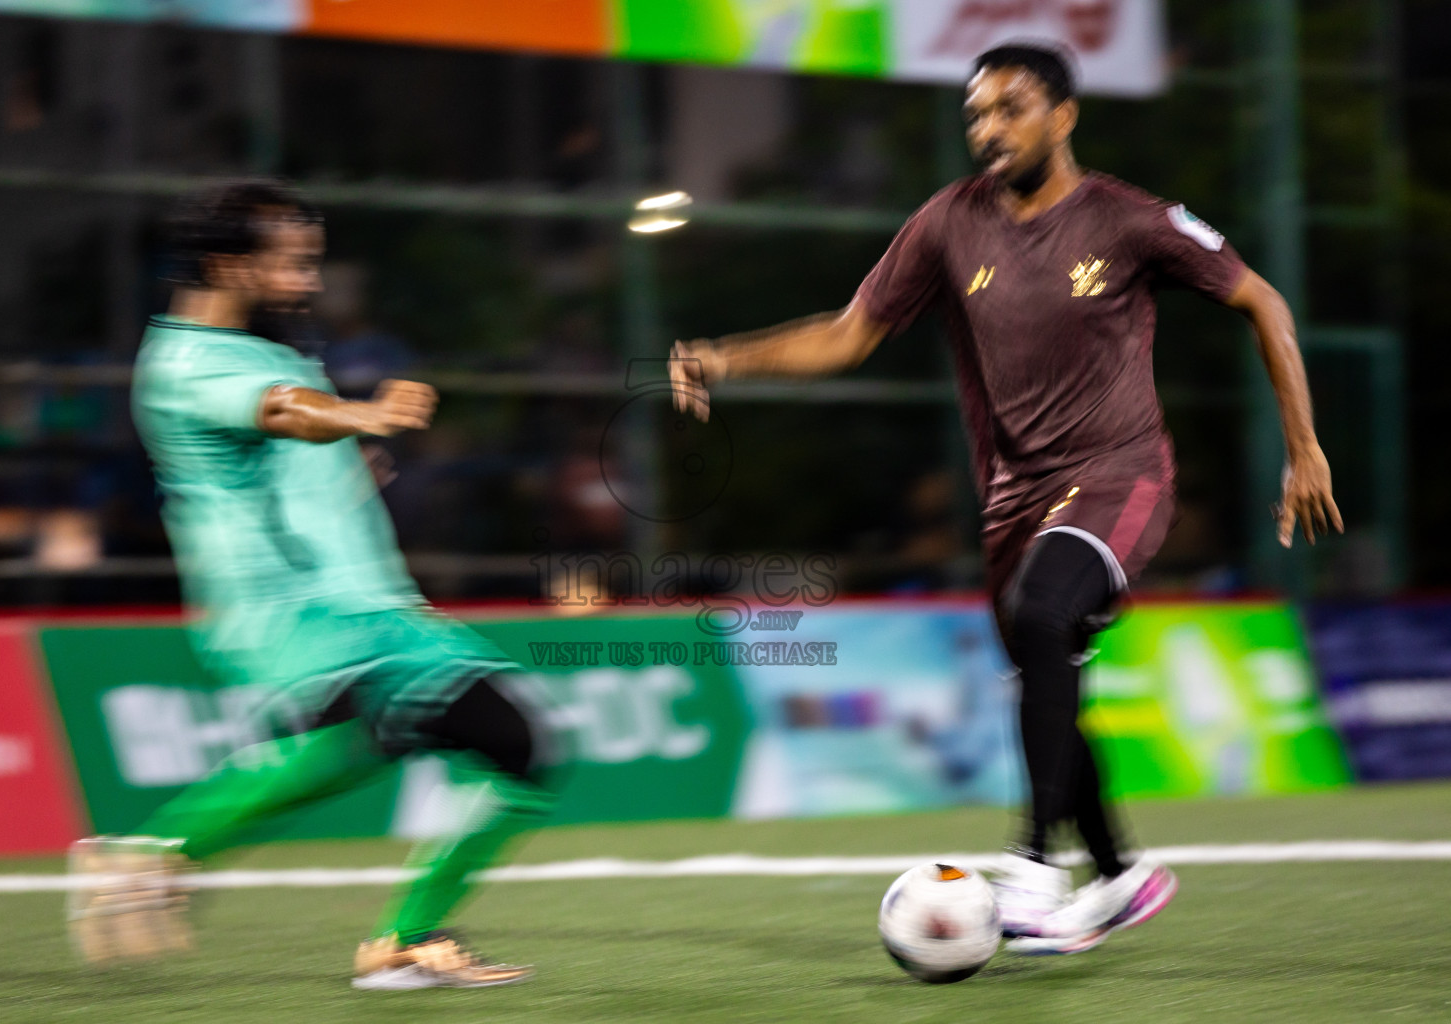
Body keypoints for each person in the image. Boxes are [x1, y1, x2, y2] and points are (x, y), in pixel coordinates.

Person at [668, 43, 1342, 956]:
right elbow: (847, 334)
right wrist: (724, 355)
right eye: (976, 115)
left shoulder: (1129, 219)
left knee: (1041, 616)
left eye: (1010, 108)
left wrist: (1302, 448)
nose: (989, 129)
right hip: (1010, 499)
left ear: (1063, 116)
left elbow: (1263, 300)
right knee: (1046, 669)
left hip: (1120, 475)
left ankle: (1031, 866)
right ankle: (1119, 875)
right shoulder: (947, 224)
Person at [68, 180, 560, 990]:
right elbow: (283, 411)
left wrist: (345, 462)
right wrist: (361, 416)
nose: (311, 281)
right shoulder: (183, 359)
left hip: (367, 600)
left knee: (507, 750)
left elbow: (291, 430)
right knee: (406, 733)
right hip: (289, 608)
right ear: (227, 265)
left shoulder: (274, 346)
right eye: (294, 263)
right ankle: (163, 859)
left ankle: (170, 865)